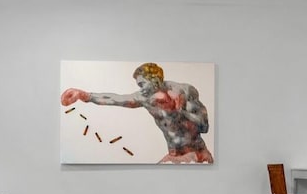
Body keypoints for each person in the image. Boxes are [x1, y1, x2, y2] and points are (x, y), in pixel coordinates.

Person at [61, 62, 214, 164]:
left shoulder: (184, 91)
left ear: (155, 79)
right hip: (175, 156)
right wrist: (84, 95)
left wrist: (181, 111)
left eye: (142, 84)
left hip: (198, 155)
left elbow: (204, 126)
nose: (142, 89)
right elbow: (116, 99)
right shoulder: (145, 98)